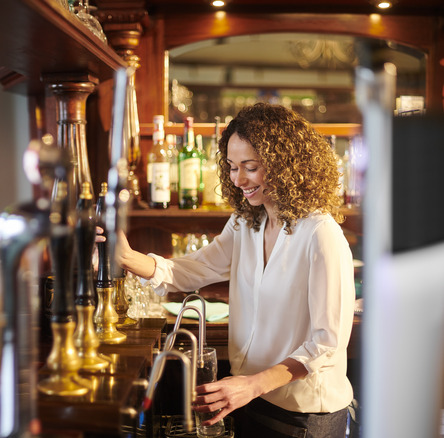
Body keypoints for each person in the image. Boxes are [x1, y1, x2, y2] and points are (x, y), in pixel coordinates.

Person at [112, 102, 355, 437]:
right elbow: (195, 269)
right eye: (231, 167)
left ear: (285, 165)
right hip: (248, 397)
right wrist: (125, 256)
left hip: (303, 415)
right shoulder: (247, 222)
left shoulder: (320, 235)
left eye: (250, 167)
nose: (238, 179)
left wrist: (251, 386)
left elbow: (326, 344)